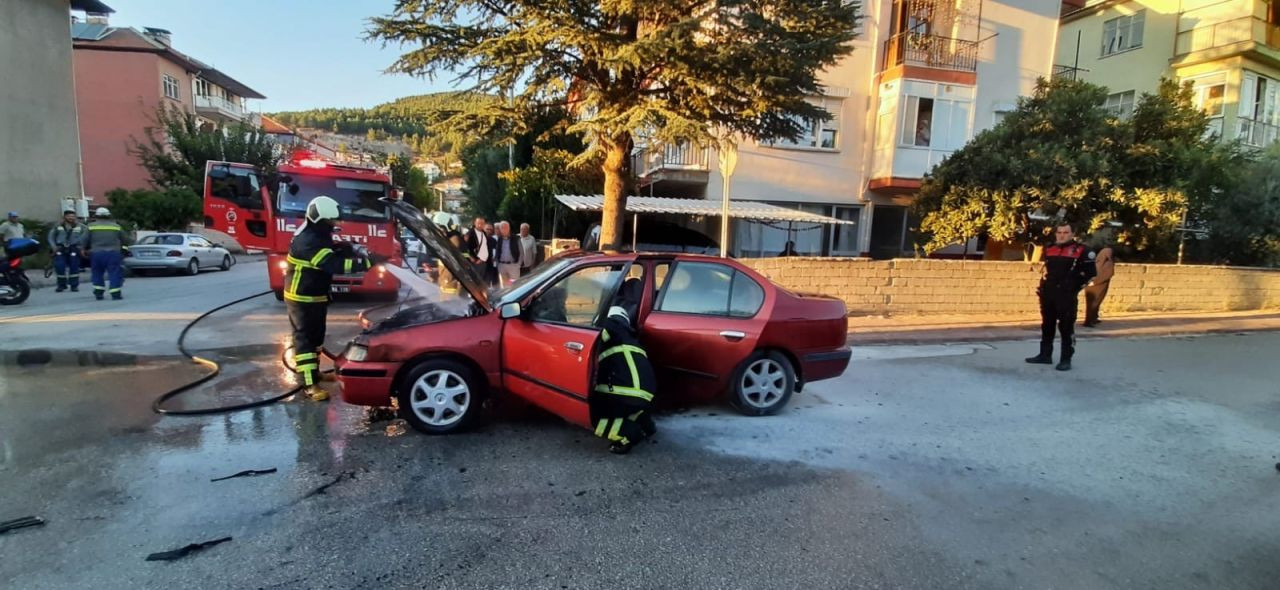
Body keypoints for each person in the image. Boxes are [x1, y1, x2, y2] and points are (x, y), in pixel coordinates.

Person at [283, 195, 371, 401]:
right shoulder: (308, 241)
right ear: (319, 219)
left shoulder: (317, 234)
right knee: (304, 342)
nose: (335, 225)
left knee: (316, 339)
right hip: (301, 297)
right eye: (332, 221)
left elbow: (329, 252)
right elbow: (334, 266)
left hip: (316, 294)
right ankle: (309, 385)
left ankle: (314, 374)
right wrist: (366, 264)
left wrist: (343, 248)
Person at [591, 279, 658, 454]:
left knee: (594, 414)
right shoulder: (631, 336)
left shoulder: (609, 328)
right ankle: (646, 424)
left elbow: (593, 342)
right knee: (628, 407)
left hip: (627, 391)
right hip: (645, 392)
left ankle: (629, 433)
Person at [1026, 222, 1096, 371]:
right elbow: (1047, 270)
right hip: (1049, 293)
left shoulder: (1082, 250)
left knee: (1066, 327)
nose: (1062, 235)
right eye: (1059, 232)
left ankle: (1066, 359)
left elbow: (1091, 274)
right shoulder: (1050, 248)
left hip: (1067, 295)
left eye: (1065, 232)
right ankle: (1045, 355)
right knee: (1047, 325)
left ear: (1072, 234)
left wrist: (1074, 287)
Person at [80, 207, 130, 300]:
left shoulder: (91, 226)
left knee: (97, 272)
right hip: (113, 253)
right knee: (114, 272)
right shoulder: (116, 226)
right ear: (109, 216)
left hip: (96, 253)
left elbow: (84, 240)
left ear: (96, 216)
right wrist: (124, 249)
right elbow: (126, 240)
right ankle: (115, 293)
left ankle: (99, 293)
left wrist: (83, 249)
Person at [48, 210, 87, 292]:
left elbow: (86, 237)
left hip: (74, 248)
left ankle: (74, 285)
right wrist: (53, 247)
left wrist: (81, 247)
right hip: (60, 248)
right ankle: (61, 285)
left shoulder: (81, 227)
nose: (71, 218)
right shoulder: (57, 226)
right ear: (64, 217)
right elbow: (50, 237)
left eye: (73, 216)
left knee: (74, 267)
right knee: (60, 267)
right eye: (69, 216)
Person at [1084, 243, 1115, 327]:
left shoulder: (1098, 262)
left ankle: (1093, 318)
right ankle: (1089, 321)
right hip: (1097, 285)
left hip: (1093, 285)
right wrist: (1095, 281)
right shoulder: (1106, 263)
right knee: (1093, 303)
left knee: (1095, 303)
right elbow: (1108, 273)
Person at [464, 216, 493, 283]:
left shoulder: (484, 233)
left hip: (484, 263)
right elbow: (463, 250)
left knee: (482, 283)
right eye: (478, 223)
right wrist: (472, 258)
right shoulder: (470, 234)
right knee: (474, 283)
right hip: (475, 264)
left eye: (482, 223)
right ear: (475, 223)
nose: (480, 225)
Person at [494, 221, 522, 287]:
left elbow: (521, 252)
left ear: (509, 228)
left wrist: (518, 265)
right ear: (500, 229)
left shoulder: (516, 238)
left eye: (506, 227)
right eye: (502, 228)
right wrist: (498, 264)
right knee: (504, 286)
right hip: (502, 266)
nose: (504, 229)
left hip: (513, 266)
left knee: (514, 285)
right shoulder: (499, 239)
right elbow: (497, 251)